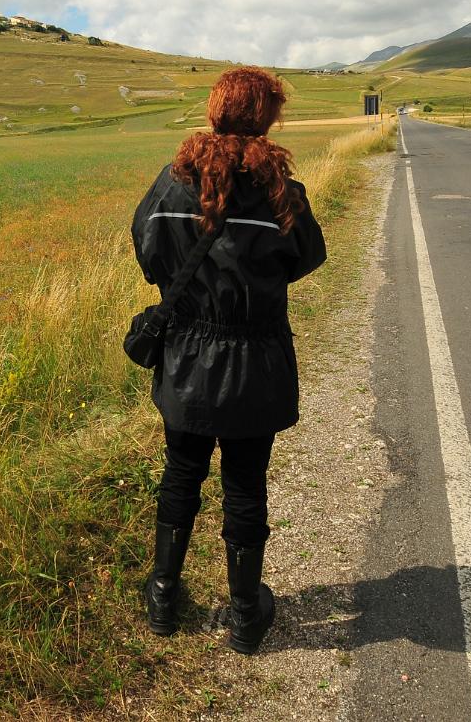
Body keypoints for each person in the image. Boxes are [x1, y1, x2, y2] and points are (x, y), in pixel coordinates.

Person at [129, 66, 327, 655]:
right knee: (246, 483)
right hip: (257, 359)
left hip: (187, 357)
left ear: (216, 111)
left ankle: (164, 595)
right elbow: (308, 256)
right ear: (265, 118)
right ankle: (245, 615)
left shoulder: (172, 182)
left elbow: (147, 246)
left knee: (181, 472)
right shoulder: (280, 190)